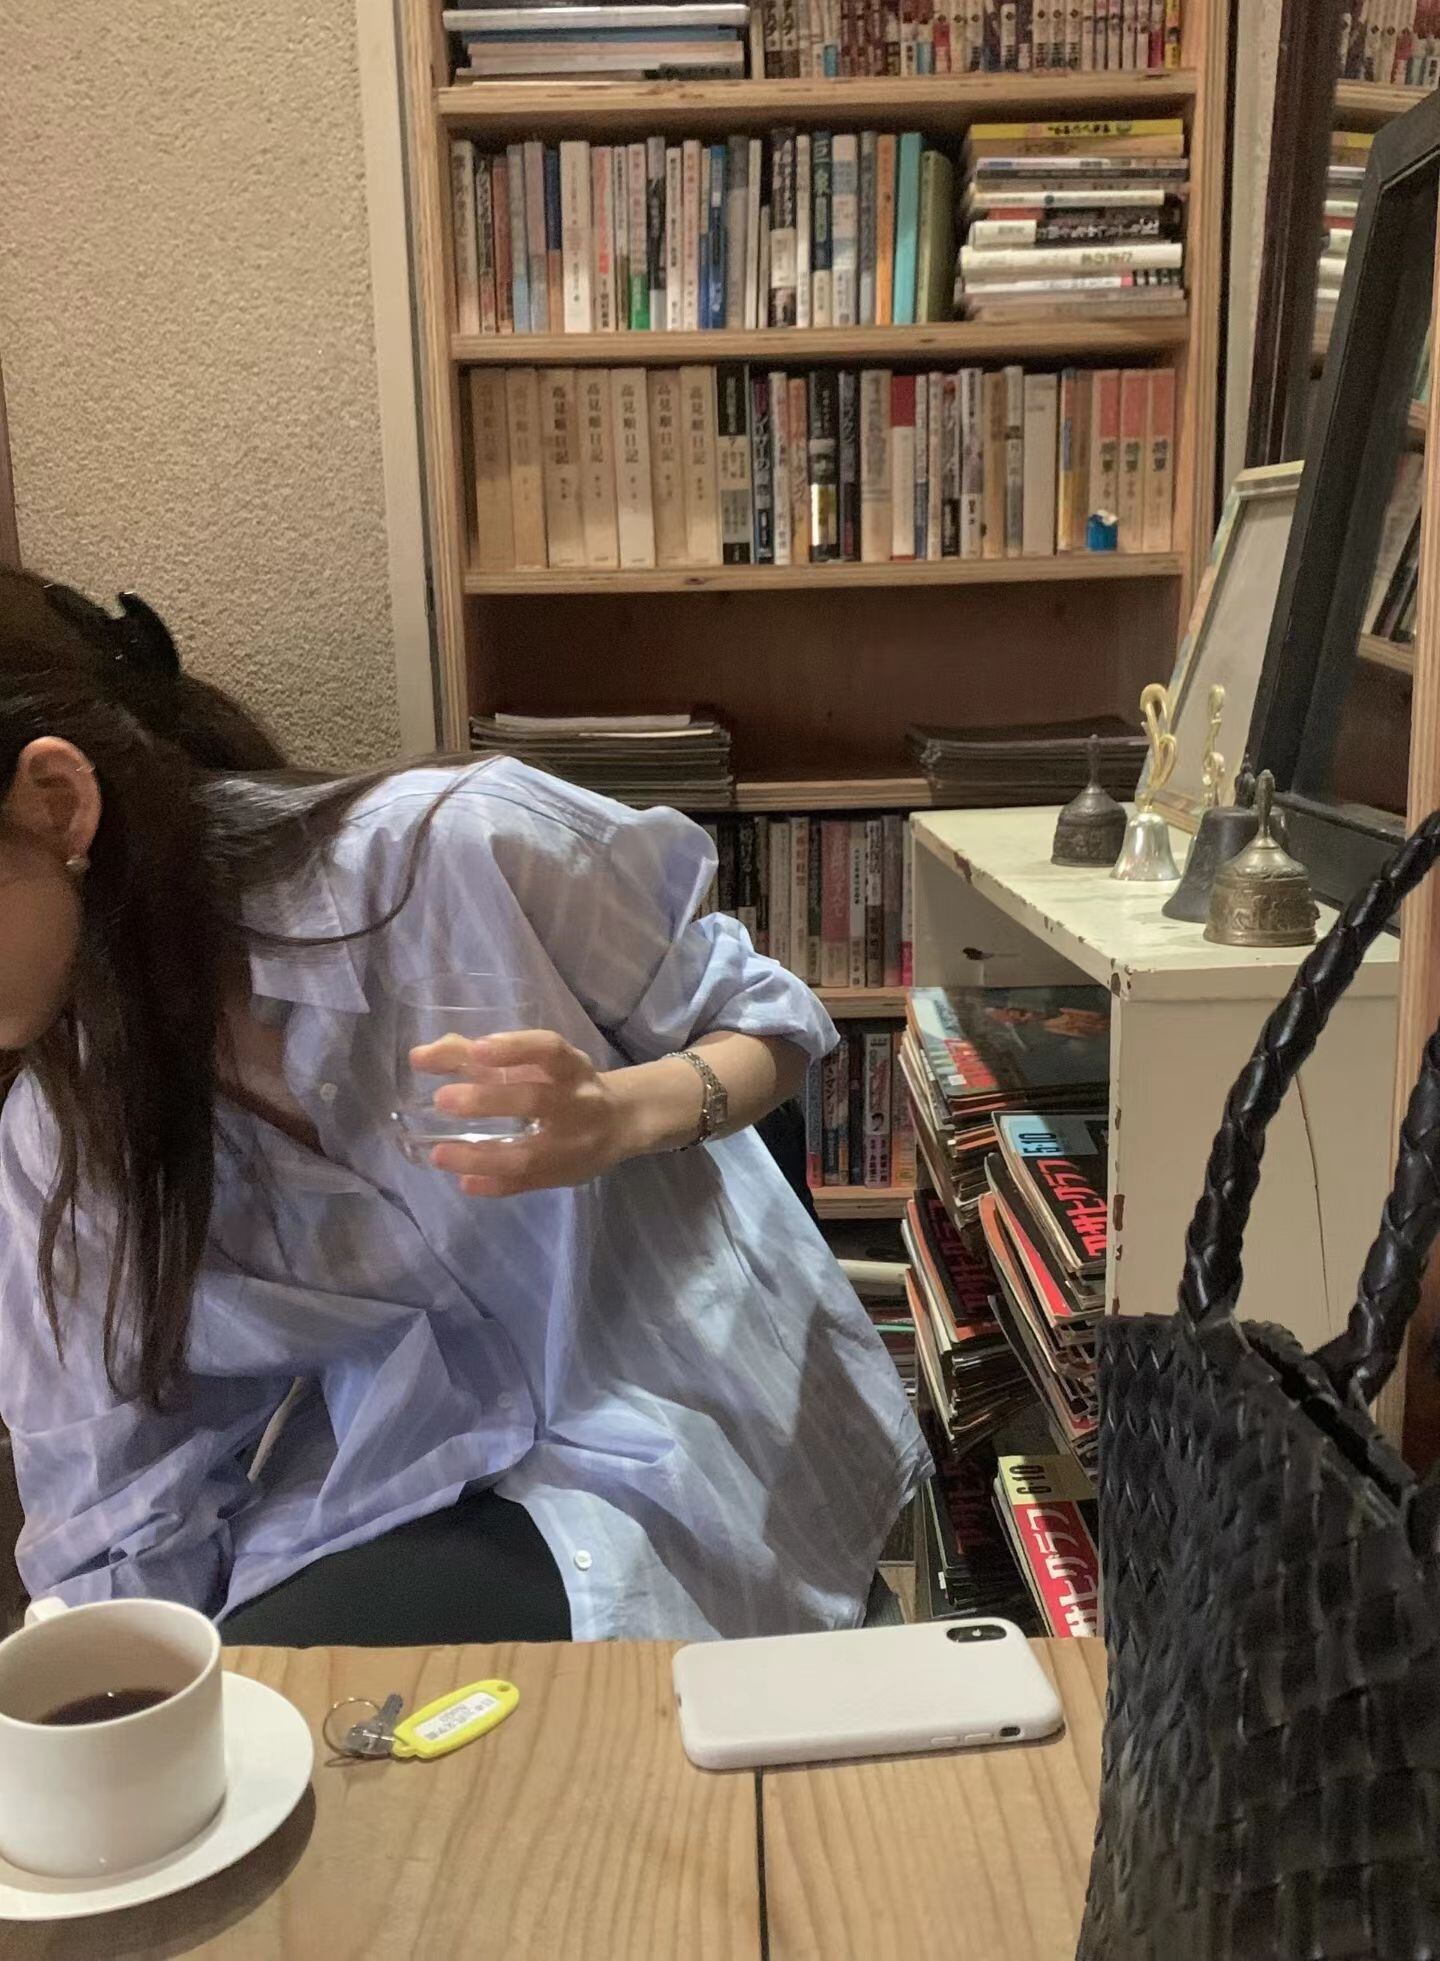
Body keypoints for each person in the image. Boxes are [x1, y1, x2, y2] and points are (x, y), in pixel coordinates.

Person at [0, 572, 928, 1646]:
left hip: (677, 1411)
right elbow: (114, 1499)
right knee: (278, 1700)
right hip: (408, 1477)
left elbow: (771, 1020)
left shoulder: (459, 852)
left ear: (57, 803)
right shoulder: (59, 1137)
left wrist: (625, 1111)